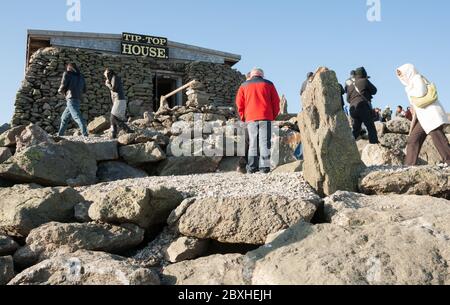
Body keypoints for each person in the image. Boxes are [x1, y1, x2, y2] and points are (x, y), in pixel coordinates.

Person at [396, 64, 450, 166]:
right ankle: (409, 165)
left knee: (438, 138)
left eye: (402, 74)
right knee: (413, 139)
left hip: (431, 114)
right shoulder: (409, 85)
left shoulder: (417, 78)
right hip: (423, 118)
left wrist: (410, 92)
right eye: (400, 76)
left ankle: (449, 161)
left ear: (409, 72)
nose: (402, 77)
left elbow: (421, 92)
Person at [236, 68, 280, 174]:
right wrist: (272, 116)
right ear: (262, 75)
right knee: (265, 143)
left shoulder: (244, 85)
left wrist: (243, 117)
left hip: (250, 117)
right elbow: (276, 102)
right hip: (266, 116)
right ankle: (265, 168)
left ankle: (252, 168)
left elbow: (239, 104)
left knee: (252, 143)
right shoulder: (269, 84)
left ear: (251, 75)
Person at [346, 67, 379, 144]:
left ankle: (348, 145)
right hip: (363, 106)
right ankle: (374, 145)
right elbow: (374, 91)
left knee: (356, 129)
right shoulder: (364, 81)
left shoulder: (350, 86)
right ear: (364, 73)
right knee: (370, 127)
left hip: (352, 109)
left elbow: (347, 99)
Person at [57, 63, 88, 137]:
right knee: (64, 118)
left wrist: (60, 91)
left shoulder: (67, 73)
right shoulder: (81, 76)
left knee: (76, 116)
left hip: (71, 98)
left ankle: (85, 134)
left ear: (69, 68)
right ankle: (60, 135)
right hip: (77, 98)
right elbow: (85, 89)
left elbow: (63, 85)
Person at [104, 69, 133, 139]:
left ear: (108, 74)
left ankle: (128, 130)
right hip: (118, 100)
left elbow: (114, 89)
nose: (105, 77)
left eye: (105, 75)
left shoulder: (115, 78)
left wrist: (107, 84)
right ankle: (114, 134)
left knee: (113, 118)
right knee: (113, 118)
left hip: (119, 100)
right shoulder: (113, 78)